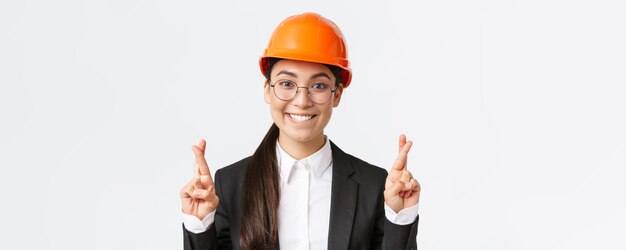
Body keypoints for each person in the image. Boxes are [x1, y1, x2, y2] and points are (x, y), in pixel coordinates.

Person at [180, 12, 421, 250]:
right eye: (286, 84)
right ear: (267, 90)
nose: (302, 101)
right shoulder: (230, 185)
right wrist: (199, 226)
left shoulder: (373, 185)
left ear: (336, 94)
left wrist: (400, 218)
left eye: (319, 86)